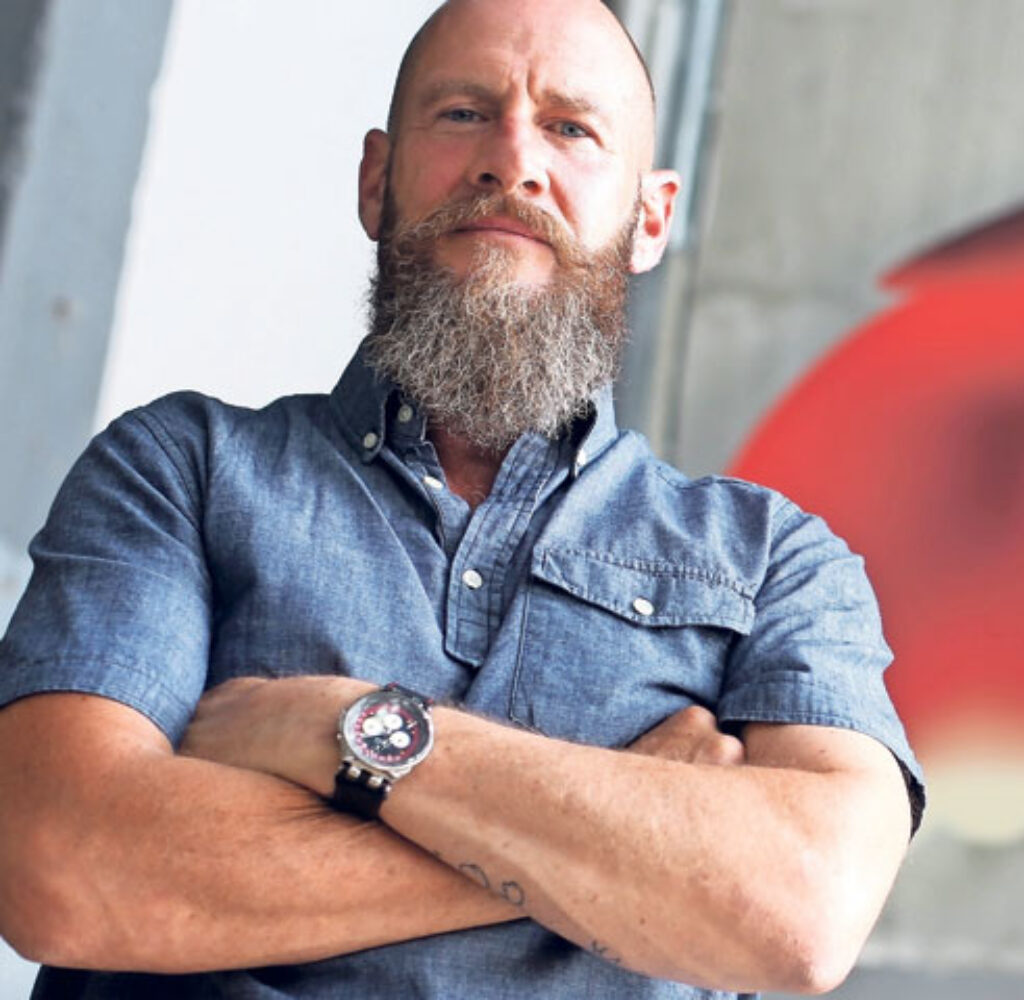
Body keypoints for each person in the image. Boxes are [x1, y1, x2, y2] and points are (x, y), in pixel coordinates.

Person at [0, 0, 923, 996]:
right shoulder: (180, 469)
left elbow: (801, 910)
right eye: (463, 114)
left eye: (570, 128)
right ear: (376, 179)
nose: (510, 161)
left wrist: (342, 729)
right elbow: (64, 871)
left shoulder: (775, 562)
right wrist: (633, 851)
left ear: (650, 217)